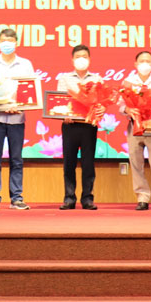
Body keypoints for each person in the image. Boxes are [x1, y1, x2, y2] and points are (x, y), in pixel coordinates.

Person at [0, 29, 34, 211]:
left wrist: (20, 104)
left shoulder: (25, 65)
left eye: (10, 40)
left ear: (16, 42)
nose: (7, 43)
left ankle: (17, 198)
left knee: (16, 159)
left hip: (17, 117)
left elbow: (30, 92)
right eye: (4, 40)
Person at [123, 51, 151, 211]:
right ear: (135, 64)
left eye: (148, 61)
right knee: (136, 163)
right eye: (141, 61)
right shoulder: (128, 83)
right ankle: (142, 197)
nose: (145, 64)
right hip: (134, 127)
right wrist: (127, 109)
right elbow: (121, 106)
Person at [58, 45, 102, 210]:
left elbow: (100, 103)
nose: (81, 59)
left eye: (84, 56)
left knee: (88, 163)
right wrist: (64, 114)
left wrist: (100, 109)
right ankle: (69, 198)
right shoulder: (64, 78)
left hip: (89, 126)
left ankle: (87, 198)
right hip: (70, 126)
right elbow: (60, 102)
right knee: (69, 162)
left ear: (89, 59)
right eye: (78, 57)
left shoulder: (97, 79)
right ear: (73, 60)